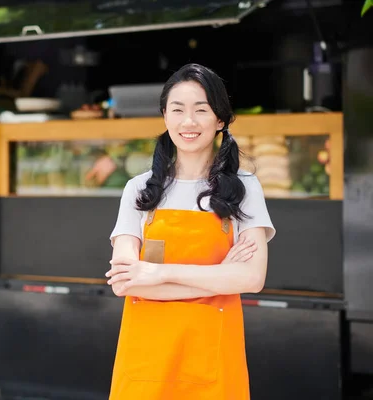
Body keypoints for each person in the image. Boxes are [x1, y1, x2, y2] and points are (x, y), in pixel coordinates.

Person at [105, 63, 276, 400]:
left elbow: (252, 279)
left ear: (221, 120)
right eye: (178, 109)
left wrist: (155, 274)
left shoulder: (244, 188)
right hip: (145, 361)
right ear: (165, 116)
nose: (189, 122)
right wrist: (220, 275)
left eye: (202, 110)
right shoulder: (139, 189)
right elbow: (126, 281)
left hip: (212, 361)